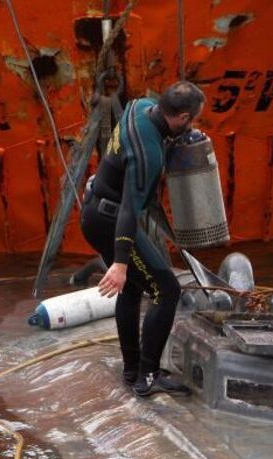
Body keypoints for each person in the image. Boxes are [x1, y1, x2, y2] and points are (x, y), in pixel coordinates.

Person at [80, 81, 204, 397]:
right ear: (183, 116)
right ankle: (147, 377)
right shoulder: (147, 154)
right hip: (111, 220)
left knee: (134, 289)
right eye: (192, 121)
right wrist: (120, 263)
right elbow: (129, 212)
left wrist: (184, 139)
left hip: (95, 210)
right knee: (166, 290)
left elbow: (163, 134)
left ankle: (132, 369)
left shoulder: (140, 106)